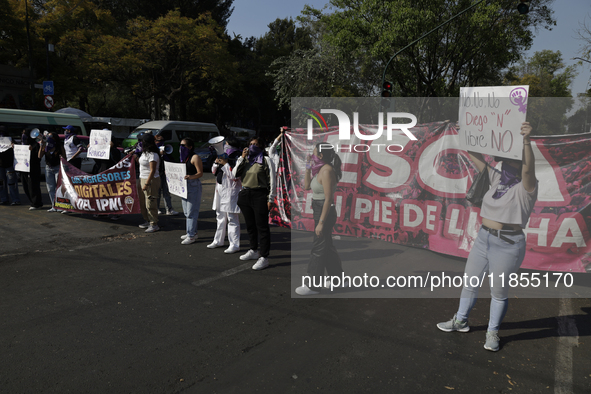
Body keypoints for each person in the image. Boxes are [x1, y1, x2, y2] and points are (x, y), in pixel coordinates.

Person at [437, 122, 537, 352]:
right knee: (470, 282)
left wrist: (526, 141)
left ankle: (493, 332)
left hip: (508, 243)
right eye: (504, 161)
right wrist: (467, 133)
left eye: (512, 161)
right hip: (484, 238)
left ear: (520, 163)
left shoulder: (527, 186)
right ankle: (460, 321)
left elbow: (529, 169)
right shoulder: (496, 178)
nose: (506, 165)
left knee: (498, 293)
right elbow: (474, 155)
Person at [295, 143, 344, 296]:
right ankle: (338, 280)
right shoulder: (320, 169)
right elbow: (307, 186)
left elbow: (329, 199)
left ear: (321, 156)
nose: (312, 155)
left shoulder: (327, 170)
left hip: (325, 211)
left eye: (314, 153)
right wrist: (308, 167)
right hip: (319, 208)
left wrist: (321, 223)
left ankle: (313, 286)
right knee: (326, 246)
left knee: (318, 248)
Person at [233, 136, 276, 270]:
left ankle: (264, 257)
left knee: (262, 226)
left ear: (261, 147)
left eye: (256, 144)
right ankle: (253, 250)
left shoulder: (266, 160)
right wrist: (241, 158)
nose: (253, 146)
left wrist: (271, 198)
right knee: (250, 225)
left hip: (260, 195)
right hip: (246, 194)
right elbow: (234, 174)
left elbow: (273, 181)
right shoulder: (245, 160)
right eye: (251, 144)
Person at [208, 137, 242, 253]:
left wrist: (226, 164)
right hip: (220, 188)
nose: (224, 146)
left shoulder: (238, 156)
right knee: (220, 215)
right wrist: (216, 163)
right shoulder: (222, 156)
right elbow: (213, 172)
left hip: (231, 190)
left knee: (232, 218)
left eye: (226, 144)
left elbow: (234, 176)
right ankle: (218, 240)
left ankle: (234, 244)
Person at [178, 138, 203, 245]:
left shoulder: (195, 157)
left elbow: (200, 173)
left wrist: (191, 177)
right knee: (187, 212)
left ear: (190, 146)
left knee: (191, 212)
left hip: (193, 185)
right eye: (180, 145)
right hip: (184, 186)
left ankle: (191, 235)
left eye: (184, 145)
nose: (181, 148)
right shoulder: (183, 157)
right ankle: (193, 232)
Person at [134, 133, 160, 233]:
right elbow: (142, 164)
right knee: (142, 202)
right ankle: (147, 220)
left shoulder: (153, 154)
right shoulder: (144, 153)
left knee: (150, 202)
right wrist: (135, 156)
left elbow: (152, 170)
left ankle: (154, 224)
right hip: (142, 178)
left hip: (151, 180)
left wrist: (147, 183)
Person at [91, 135, 122, 220]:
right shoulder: (100, 150)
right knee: (101, 194)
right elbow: (96, 160)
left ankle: (115, 213)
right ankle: (102, 212)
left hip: (111, 176)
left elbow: (116, 160)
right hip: (101, 174)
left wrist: (111, 149)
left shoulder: (116, 151)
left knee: (112, 194)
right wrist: (91, 149)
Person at [38, 131, 66, 212]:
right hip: (48, 168)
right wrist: (41, 146)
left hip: (58, 168)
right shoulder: (46, 146)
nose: (48, 138)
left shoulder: (59, 146)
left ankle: (62, 206)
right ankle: (54, 206)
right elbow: (39, 156)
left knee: (59, 188)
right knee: (50, 188)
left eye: (50, 137)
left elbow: (65, 158)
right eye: (48, 137)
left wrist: (61, 158)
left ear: (54, 138)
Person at [154, 132, 179, 216]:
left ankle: (169, 209)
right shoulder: (153, 150)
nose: (161, 142)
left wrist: (164, 156)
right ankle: (157, 209)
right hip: (157, 174)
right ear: (155, 141)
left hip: (165, 174)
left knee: (166, 192)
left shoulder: (165, 151)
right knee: (157, 193)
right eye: (159, 141)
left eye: (162, 140)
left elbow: (170, 160)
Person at [19, 129, 43, 210]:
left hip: (33, 169)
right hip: (23, 169)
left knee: (33, 186)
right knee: (26, 186)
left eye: (25, 133)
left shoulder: (35, 144)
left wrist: (32, 151)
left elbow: (38, 158)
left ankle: (36, 203)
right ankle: (32, 202)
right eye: (22, 133)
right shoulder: (22, 144)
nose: (23, 135)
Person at [0, 126, 21, 205]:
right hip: (0, 166)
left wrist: (13, 146)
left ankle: (15, 199)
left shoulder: (11, 140)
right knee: (1, 184)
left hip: (9, 165)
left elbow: (18, 149)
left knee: (11, 183)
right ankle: (4, 199)